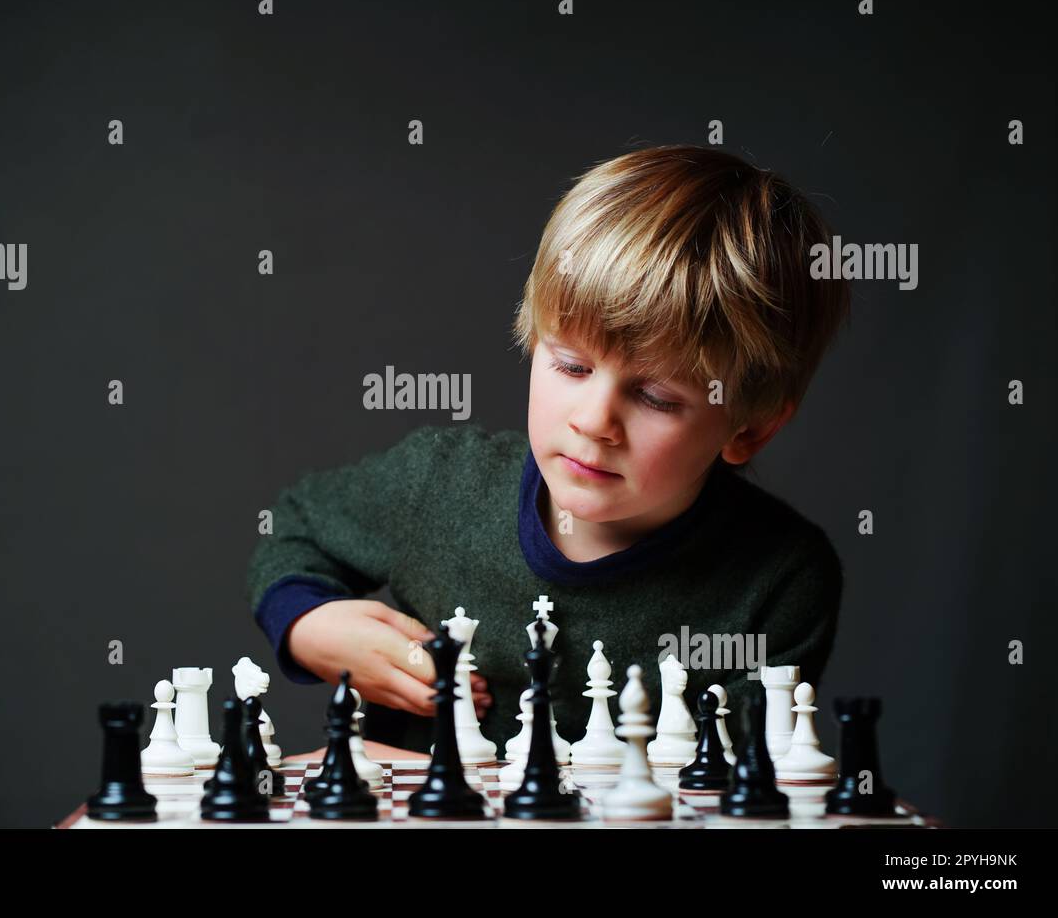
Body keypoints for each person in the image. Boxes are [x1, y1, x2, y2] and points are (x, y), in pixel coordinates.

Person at [246, 145, 851, 752]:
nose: (594, 421)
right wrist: (310, 626)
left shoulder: (781, 579)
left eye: (657, 398)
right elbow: (292, 526)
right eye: (571, 366)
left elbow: (742, 792)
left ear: (749, 429)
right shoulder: (437, 482)